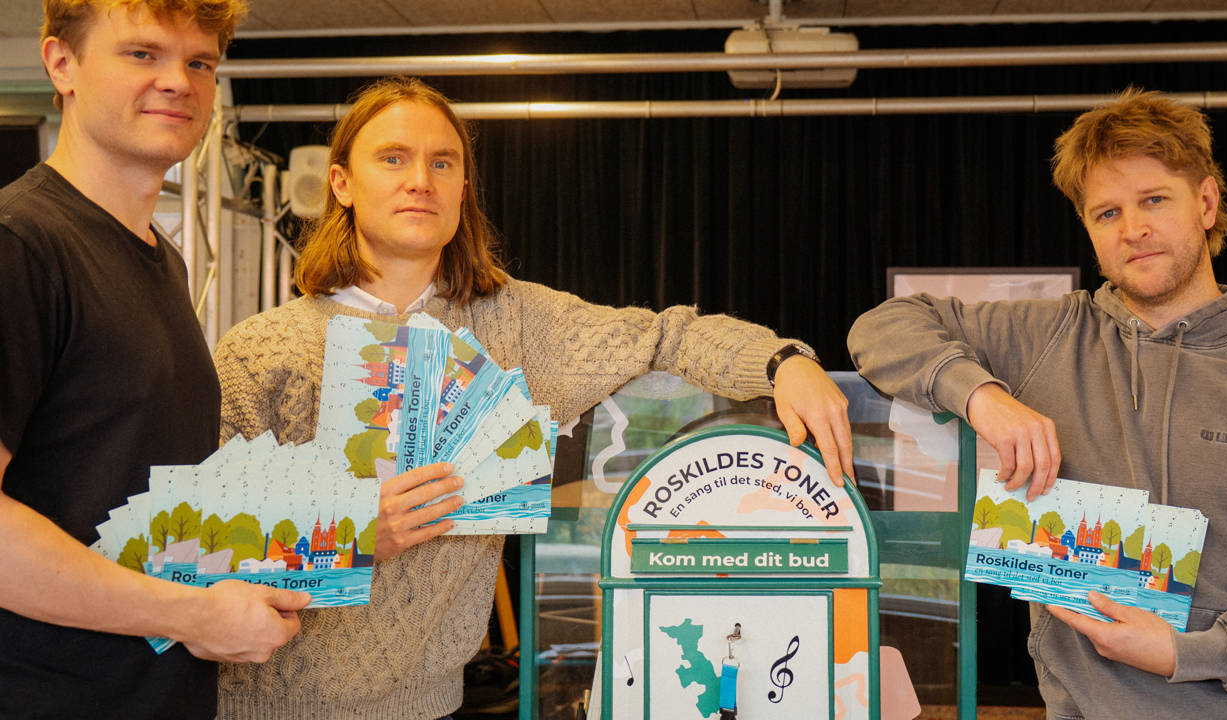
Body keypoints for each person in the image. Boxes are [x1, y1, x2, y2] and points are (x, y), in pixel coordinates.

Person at [213, 75, 855, 719]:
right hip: (262, 705)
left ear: (463, 190)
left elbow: (666, 336)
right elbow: (200, 552)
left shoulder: (516, 325)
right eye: (393, 158)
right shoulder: (260, 350)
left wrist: (783, 362)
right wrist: (349, 532)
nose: (421, 181)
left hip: (433, 706)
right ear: (341, 183)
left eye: (443, 163)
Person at [848, 87, 1227, 718]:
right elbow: (882, 327)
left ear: (1207, 202)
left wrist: (1187, 653)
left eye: (1154, 199)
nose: (1133, 229)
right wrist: (982, 396)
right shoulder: (1048, 336)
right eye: (1107, 213)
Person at [0, 1, 311, 717]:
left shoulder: (160, 259)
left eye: (199, 62)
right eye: (142, 53)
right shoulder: (19, 244)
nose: (177, 81)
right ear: (62, 63)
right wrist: (192, 615)